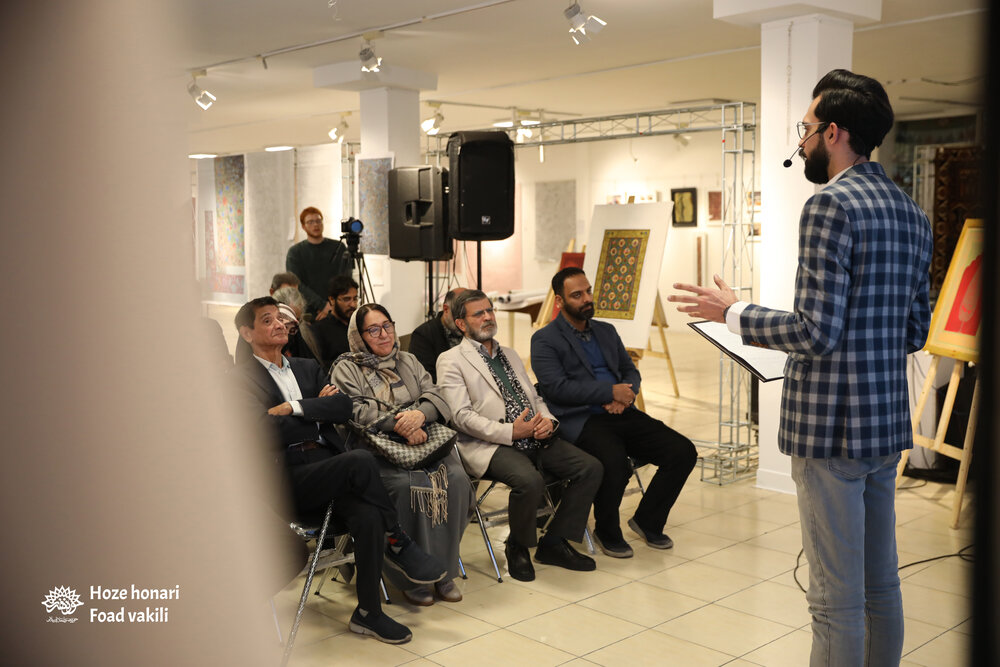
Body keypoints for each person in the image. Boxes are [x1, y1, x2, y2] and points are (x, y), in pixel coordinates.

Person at [669, 69, 932, 667]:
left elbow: (815, 332)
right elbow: (914, 331)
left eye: (806, 128)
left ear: (833, 133)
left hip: (830, 429)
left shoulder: (829, 205)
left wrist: (732, 311)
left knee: (834, 599)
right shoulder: (911, 213)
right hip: (884, 425)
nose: (801, 140)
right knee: (881, 583)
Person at [231, 296, 447, 644]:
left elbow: (343, 407)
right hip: (285, 479)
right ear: (247, 333)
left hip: (326, 467)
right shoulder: (239, 379)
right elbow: (263, 431)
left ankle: (368, 613)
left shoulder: (306, 367)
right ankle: (398, 540)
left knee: (368, 514)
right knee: (359, 460)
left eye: (281, 319)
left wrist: (294, 407)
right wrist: (317, 411)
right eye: (267, 320)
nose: (280, 324)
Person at [436, 289, 602, 582]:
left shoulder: (509, 354)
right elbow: (460, 417)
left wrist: (547, 422)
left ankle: (554, 542)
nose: (488, 317)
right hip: (490, 443)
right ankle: (518, 545)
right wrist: (511, 431)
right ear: (461, 324)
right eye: (478, 313)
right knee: (529, 481)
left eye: (489, 310)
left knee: (590, 468)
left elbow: (534, 398)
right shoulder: (451, 360)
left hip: (534, 436)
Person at [531, 267, 697, 558]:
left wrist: (626, 394)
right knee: (615, 464)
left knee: (682, 451)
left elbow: (629, 370)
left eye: (588, 291)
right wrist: (610, 392)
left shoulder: (605, 331)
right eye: (577, 295)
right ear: (559, 301)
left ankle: (648, 520)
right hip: (581, 418)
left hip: (621, 412)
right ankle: (607, 530)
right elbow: (557, 389)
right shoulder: (545, 339)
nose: (587, 298)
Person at [331, 303, 474, 606]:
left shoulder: (407, 359)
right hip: (376, 450)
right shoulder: (346, 368)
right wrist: (401, 425)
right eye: (373, 330)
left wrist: (419, 417)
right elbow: (355, 410)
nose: (384, 334)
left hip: (424, 443)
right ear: (359, 336)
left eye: (387, 325)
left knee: (458, 480)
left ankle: (443, 568)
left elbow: (434, 394)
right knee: (404, 487)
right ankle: (409, 576)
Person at [285, 207, 352, 319]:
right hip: (309, 311)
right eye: (310, 222)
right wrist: (322, 305)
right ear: (303, 226)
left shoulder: (339, 247)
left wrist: (332, 305)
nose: (315, 225)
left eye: (318, 221)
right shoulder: (295, 252)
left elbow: (346, 278)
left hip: (337, 309)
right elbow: (296, 283)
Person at [408, 287, 467, 382]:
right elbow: (427, 379)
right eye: (459, 315)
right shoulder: (423, 335)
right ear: (446, 309)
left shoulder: (473, 329)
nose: (464, 322)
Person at [313, 275, 359, 370]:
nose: (353, 304)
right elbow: (320, 366)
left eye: (355, 299)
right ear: (332, 300)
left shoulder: (360, 325)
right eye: (346, 299)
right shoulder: (319, 329)